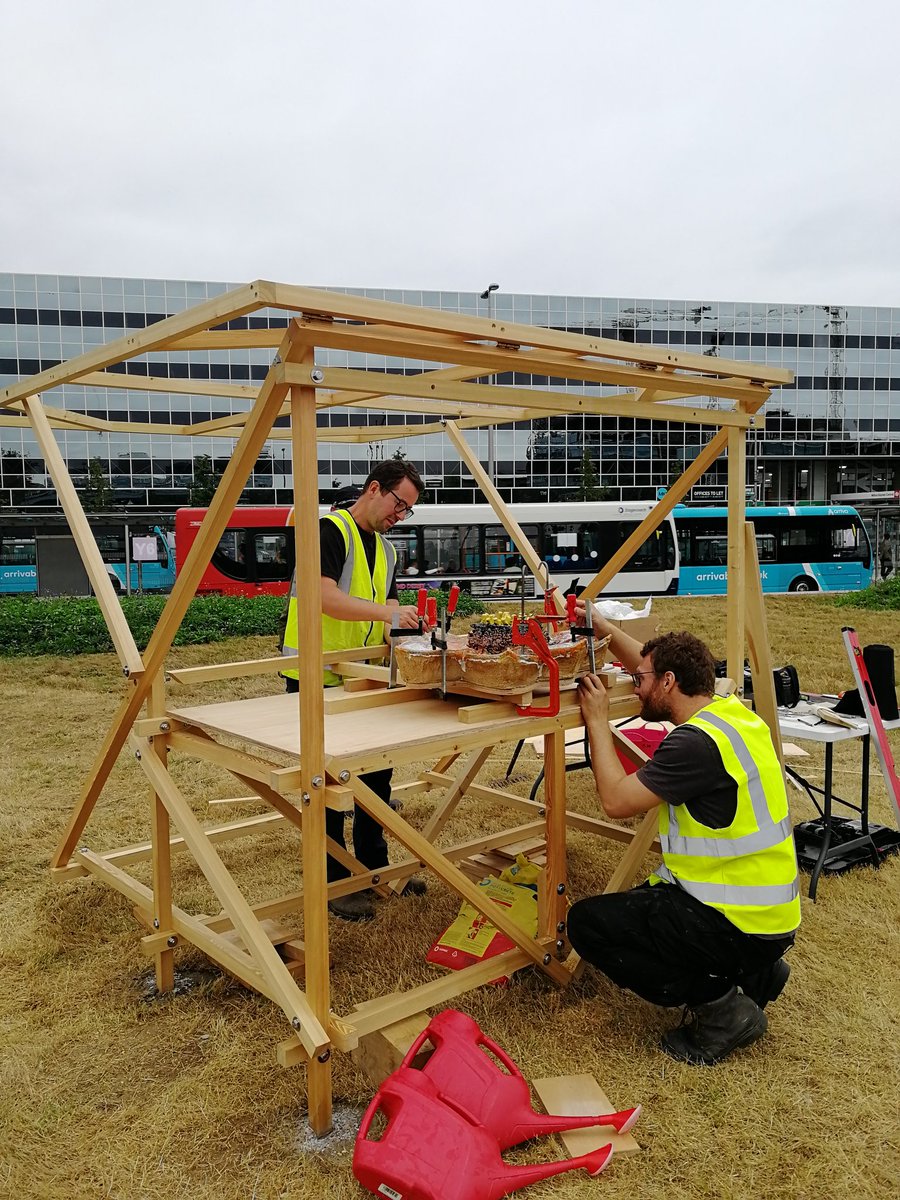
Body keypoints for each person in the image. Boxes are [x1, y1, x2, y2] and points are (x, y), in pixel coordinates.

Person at [568, 619, 800, 1066]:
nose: (635, 688)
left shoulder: (695, 746)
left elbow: (616, 801)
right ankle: (755, 973)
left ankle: (723, 1012)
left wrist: (595, 721)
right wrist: (600, 625)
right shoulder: (730, 714)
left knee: (589, 925)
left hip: (738, 920)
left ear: (669, 682)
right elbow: (652, 662)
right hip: (765, 915)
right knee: (640, 910)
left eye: (640, 681)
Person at [281, 461, 428, 921]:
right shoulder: (328, 530)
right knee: (323, 785)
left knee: (376, 777)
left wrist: (407, 633)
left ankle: (375, 867)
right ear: (373, 489)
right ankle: (335, 880)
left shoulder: (386, 552)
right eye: (399, 504)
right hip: (315, 676)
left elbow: (386, 610)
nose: (400, 516)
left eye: (408, 511)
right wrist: (388, 616)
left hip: (363, 677)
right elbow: (322, 596)